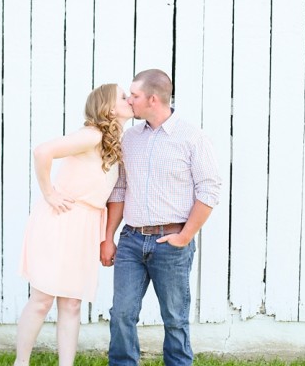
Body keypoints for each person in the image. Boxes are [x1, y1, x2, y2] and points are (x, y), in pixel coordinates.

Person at [100, 69, 222, 365]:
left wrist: (185, 236)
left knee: (175, 318)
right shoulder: (130, 138)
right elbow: (120, 188)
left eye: (135, 95)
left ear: (153, 99)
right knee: (122, 314)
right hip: (131, 240)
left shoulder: (192, 138)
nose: (129, 100)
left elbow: (209, 189)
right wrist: (108, 238)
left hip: (171, 242)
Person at [15, 83, 134, 366]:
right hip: (62, 220)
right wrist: (49, 193)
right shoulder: (92, 135)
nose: (129, 99)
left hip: (86, 225)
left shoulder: (113, 142)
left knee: (71, 302)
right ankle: (21, 362)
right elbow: (42, 151)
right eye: (123, 97)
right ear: (108, 108)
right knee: (42, 299)